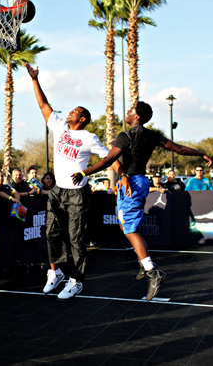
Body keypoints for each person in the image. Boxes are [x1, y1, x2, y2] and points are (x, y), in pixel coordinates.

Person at [71, 101, 212, 301]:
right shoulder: (151, 135)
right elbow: (179, 149)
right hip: (136, 182)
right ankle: (142, 261)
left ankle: (153, 271)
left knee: (129, 229)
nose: (127, 112)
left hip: (132, 185)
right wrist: (200, 153)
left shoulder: (126, 136)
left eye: (130, 110)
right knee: (125, 226)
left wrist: (85, 171)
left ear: (137, 117)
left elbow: (108, 160)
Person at [25, 62, 122, 300]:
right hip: (58, 191)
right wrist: (35, 79)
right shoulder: (60, 127)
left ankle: (76, 281)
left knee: (76, 238)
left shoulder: (89, 138)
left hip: (77, 194)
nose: (69, 112)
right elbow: (43, 105)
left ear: (83, 118)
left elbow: (110, 157)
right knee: (51, 233)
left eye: (74, 111)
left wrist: (124, 175)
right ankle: (55, 273)